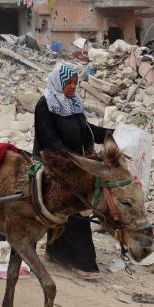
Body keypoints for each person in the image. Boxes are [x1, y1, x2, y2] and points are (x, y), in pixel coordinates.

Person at [34, 63, 111, 280]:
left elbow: (87, 130)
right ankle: (84, 263)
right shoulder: (45, 104)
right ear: (58, 82)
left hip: (77, 162)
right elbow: (49, 139)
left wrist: (111, 135)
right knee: (76, 204)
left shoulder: (74, 104)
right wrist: (73, 160)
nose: (73, 87)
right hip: (54, 161)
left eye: (76, 83)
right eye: (69, 83)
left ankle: (57, 252)